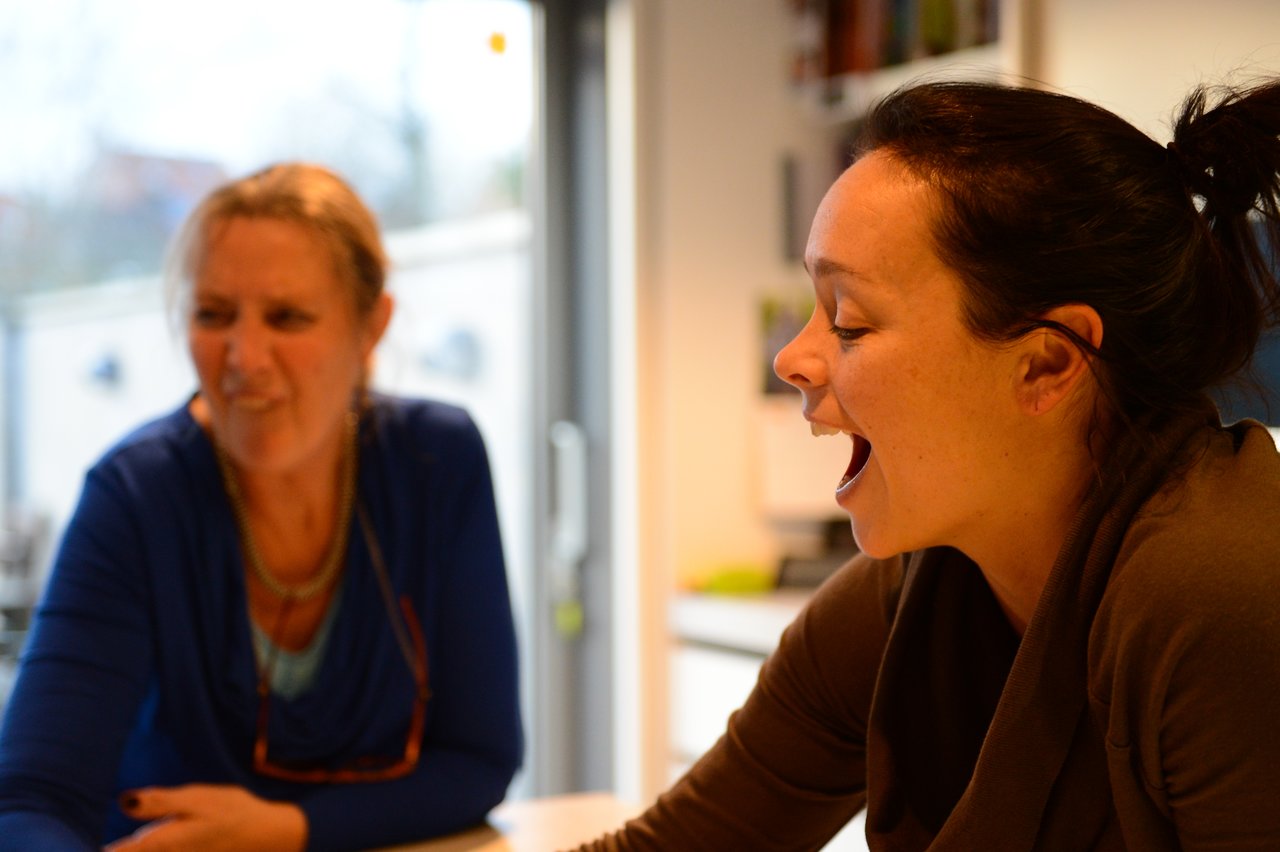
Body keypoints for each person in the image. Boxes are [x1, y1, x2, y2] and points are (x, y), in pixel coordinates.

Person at [580, 77, 1280, 850]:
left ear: (1045, 365)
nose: (792, 359)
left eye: (848, 320)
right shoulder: (915, 591)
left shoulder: (1226, 596)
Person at [0, 163, 523, 851]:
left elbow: (479, 760)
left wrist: (285, 829)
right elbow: (30, 798)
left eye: (288, 318)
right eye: (213, 315)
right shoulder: (136, 496)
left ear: (372, 325)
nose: (243, 357)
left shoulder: (435, 461)